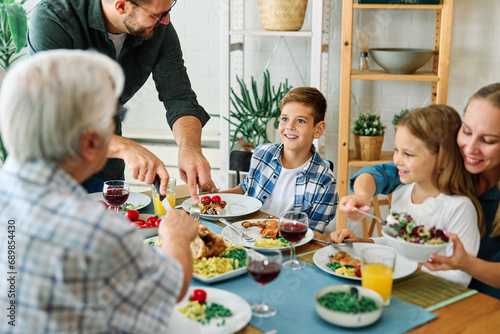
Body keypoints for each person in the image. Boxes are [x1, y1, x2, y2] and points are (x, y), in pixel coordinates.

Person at [0, 50, 199, 332]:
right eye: (115, 115)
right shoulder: (96, 230)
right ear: (91, 143)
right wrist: (176, 236)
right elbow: (169, 289)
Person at [27, 0, 216, 202]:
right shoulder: (54, 19)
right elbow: (53, 118)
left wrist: (190, 147)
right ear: (121, 6)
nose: (166, 21)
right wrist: (125, 148)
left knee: (114, 227)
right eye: (157, 15)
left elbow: (179, 97)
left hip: (107, 164)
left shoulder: (158, 28)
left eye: (168, 10)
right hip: (50, 164)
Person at [339, 83, 500, 298]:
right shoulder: (415, 181)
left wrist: (464, 263)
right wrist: (360, 202)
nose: (469, 149)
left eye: (488, 140)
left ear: (443, 158)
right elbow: (381, 173)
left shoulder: (459, 203)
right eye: (467, 131)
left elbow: (458, 275)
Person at [224, 87, 338, 232]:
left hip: (287, 247)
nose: (289, 126)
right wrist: (211, 196)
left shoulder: (325, 182)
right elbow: (248, 189)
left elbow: (313, 235)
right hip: (244, 234)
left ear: (318, 129)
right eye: (285, 119)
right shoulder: (262, 153)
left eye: (300, 121)